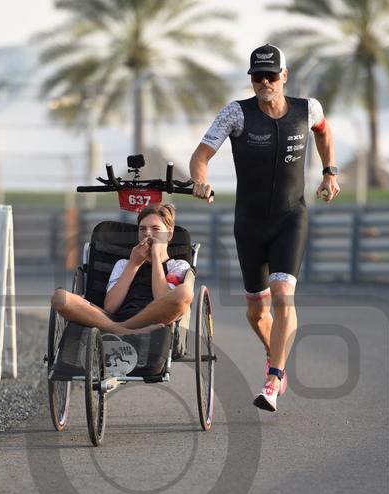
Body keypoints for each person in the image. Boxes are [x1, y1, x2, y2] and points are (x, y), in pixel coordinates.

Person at [190, 43, 341, 412]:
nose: (264, 82)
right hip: (249, 223)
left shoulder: (308, 109)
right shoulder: (236, 113)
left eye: (271, 75)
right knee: (257, 312)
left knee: (282, 293)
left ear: (284, 76)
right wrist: (200, 181)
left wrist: (329, 171)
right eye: (258, 76)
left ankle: (273, 378)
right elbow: (201, 154)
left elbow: (324, 132)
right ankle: (276, 354)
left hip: (291, 217)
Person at [51, 204, 193, 334]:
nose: (148, 234)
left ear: (169, 234)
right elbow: (110, 307)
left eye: (155, 229)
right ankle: (126, 331)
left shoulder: (178, 266)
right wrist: (133, 264)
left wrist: (156, 257)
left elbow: (162, 298)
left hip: (156, 319)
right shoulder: (123, 264)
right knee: (60, 297)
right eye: (142, 229)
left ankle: (122, 329)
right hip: (116, 318)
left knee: (184, 293)